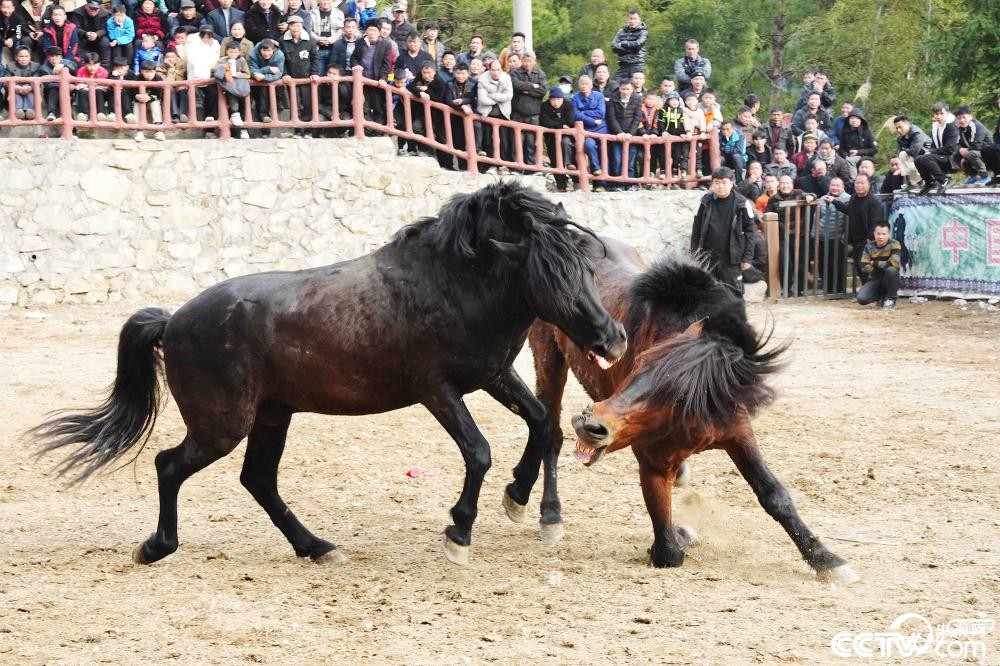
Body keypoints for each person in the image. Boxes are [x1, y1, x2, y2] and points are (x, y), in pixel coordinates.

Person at [689, 166, 758, 291]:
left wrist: (747, 258)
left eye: (724, 182)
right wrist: (695, 254)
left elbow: (751, 231)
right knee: (709, 292)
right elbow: (696, 229)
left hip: (732, 257)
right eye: (717, 183)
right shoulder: (705, 202)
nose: (720, 186)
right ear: (712, 184)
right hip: (708, 256)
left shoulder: (742, 203)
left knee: (734, 292)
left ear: (732, 183)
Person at [828, 173, 883, 283]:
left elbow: (876, 222)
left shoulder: (874, 202)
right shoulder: (854, 197)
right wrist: (834, 201)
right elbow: (849, 210)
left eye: (862, 183)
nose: (859, 186)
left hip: (867, 240)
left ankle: (870, 292)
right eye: (857, 183)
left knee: (863, 266)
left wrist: (871, 238)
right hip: (855, 238)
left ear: (868, 185)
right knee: (859, 267)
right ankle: (866, 291)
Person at [280, 14, 317, 133]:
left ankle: (307, 131)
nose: (295, 28)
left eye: (297, 25)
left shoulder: (310, 40)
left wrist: (314, 73)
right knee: (295, 103)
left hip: (306, 77)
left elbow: (315, 58)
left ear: (302, 26)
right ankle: (296, 130)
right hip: (292, 78)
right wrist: (285, 74)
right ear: (288, 27)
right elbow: (282, 60)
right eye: (292, 25)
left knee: (307, 103)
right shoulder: (282, 41)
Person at [350, 17, 391, 124]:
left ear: (379, 32)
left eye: (375, 31)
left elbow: (386, 65)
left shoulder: (385, 44)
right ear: (366, 31)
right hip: (363, 80)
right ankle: (367, 128)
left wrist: (383, 78)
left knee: (378, 106)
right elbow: (353, 58)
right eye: (370, 30)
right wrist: (356, 65)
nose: (372, 33)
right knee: (364, 106)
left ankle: (378, 130)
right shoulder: (360, 42)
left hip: (377, 80)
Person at [509, 48, 546, 168]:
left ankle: (531, 167)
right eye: (525, 60)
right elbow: (515, 85)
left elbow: (542, 91)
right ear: (522, 60)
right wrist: (532, 86)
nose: (527, 63)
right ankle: (517, 167)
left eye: (530, 61)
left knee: (531, 142)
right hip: (518, 113)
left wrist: (526, 91)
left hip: (534, 114)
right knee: (517, 141)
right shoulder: (515, 73)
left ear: (534, 61)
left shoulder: (540, 74)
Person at [476, 57, 513, 168]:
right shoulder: (483, 79)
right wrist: (499, 97)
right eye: (493, 70)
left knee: (504, 140)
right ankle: (489, 164)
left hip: (503, 113)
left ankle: (503, 164)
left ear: (501, 69)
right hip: (488, 113)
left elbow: (508, 96)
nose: (495, 72)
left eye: (498, 69)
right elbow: (482, 99)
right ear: (489, 69)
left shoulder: (506, 78)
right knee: (488, 139)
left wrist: (492, 95)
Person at [605, 78, 641, 186]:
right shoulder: (613, 98)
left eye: (628, 89)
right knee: (617, 160)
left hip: (632, 135)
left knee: (630, 161)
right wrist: (619, 132)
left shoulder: (637, 99)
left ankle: (629, 184)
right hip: (617, 134)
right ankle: (617, 185)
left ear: (632, 89)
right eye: (623, 89)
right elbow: (611, 117)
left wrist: (631, 133)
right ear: (620, 89)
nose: (625, 91)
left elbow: (637, 117)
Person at [856, 221, 901, 309]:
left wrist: (874, 263)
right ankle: (881, 297)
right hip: (875, 277)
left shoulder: (895, 244)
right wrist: (881, 266)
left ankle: (891, 299)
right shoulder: (868, 246)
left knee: (891, 270)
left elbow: (894, 263)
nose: (881, 237)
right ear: (874, 234)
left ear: (888, 234)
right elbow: (864, 266)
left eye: (884, 234)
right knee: (861, 299)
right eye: (878, 234)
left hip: (889, 277)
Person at [571, 74, 606, 176]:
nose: (584, 86)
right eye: (582, 84)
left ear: (591, 86)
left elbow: (601, 113)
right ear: (579, 86)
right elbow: (576, 115)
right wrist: (593, 121)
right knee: (589, 145)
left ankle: (605, 183)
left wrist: (584, 113)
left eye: (586, 84)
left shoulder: (599, 96)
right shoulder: (575, 98)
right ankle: (595, 168)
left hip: (601, 129)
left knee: (604, 151)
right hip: (586, 130)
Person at [443, 61, 476, 170]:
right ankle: (458, 166)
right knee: (457, 142)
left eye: (463, 73)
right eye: (458, 73)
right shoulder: (449, 83)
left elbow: (474, 99)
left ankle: (469, 166)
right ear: (454, 73)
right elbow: (448, 100)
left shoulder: (474, 83)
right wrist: (462, 106)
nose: (460, 76)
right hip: (454, 118)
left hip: (470, 118)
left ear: (468, 73)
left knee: (471, 142)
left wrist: (463, 101)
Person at [214, 38, 250, 136]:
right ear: (227, 52)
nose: (233, 54)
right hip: (228, 87)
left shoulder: (241, 60)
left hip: (240, 86)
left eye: (235, 52)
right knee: (232, 102)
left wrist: (238, 74)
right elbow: (217, 75)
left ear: (239, 52)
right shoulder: (222, 61)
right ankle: (235, 114)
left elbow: (247, 74)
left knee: (244, 105)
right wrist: (224, 69)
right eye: (231, 52)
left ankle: (244, 130)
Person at [952, 105, 992, 186]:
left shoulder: (977, 126)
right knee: (955, 154)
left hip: (990, 153)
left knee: (972, 153)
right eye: (959, 118)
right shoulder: (959, 128)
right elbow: (956, 145)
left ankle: (984, 177)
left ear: (970, 116)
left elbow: (978, 145)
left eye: (964, 117)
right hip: (975, 151)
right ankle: (973, 176)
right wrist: (960, 150)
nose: (962, 120)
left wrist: (966, 152)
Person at [128, 58, 166, 140]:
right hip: (140, 101)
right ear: (141, 71)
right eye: (146, 72)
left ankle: (158, 130)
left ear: (155, 71)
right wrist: (136, 96)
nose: (149, 75)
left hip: (152, 100)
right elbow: (132, 92)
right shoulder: (137, 78)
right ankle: (139, 131)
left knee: (155, 103)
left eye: (151, 72)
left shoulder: (158, 79)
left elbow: (159, 94)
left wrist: (149, 97)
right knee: (137, 103)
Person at [248, 36, 282, 122]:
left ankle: (268, 114)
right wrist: (268, 69)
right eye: (264, 50)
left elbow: (279, 73)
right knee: (259, 101)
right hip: (256, 82)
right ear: (260, 49)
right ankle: (264, 125)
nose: (266, 53)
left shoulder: (279, 55)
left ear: (273, 50)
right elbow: (253, 71)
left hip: (272, 82)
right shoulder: (253, 54)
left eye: (269, 51)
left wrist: (264, 77)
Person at [893, 115, 931, 190]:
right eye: (897, 128)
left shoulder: (917, 133)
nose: (898, 130)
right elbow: (904, 155)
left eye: (900, 127)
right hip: (915, 158)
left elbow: (914, 152)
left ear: (907, 124)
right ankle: (912, 182)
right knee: (902, 157)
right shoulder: (900, 138)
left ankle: (919, 182)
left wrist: (905, 149)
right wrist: (905, 150)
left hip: (927, 155)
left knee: (904, 155)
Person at [609, 8, 645, 86]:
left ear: (639, 19)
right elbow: (613, 46)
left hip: (637, 65)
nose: (632, 21)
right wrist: (632, 49)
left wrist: (623, 44)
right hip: (623, 64)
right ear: (627, 19)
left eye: (635, 19)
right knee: (615, 87)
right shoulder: (621, 31)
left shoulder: (643, 32)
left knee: (636, 88)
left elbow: (638, 45)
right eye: (631, 19)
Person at [69, 0, 108, 68]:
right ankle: (81, 67)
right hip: (82, 37)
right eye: (91, 8)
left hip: (98, 38)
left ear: (99, 9)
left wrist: (97, 34)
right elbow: (75, 28)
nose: (93, 11)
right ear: (86, 6)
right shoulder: (78, 12)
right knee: (76, 39)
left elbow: (105, 29)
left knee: (105, 41)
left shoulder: (104, 14)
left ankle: (105, 67)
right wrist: (85, 33)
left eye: (95, 9)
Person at [2, 46, 38, 119]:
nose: (24, 59)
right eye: (21, 56)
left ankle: (29, 111)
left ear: (30, 57)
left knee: (30, 94)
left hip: (29, 89)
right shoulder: (10, 66)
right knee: (15, 95)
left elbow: (37, 82)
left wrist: (30, 87)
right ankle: (18, 111)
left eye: (26, 56)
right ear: (16, 57)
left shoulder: (35, 66)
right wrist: (15, 88)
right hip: (15, 90)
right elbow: (6, 82)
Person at [73, 50, 110, 120]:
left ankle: (100, 113)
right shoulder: (81, 70)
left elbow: (105, 86)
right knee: (82, 92)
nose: (92, 67)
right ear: (85, 64)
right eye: (89, 64)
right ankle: (84, 114)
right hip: (85, 92)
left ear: (99, 64)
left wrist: (91, 86)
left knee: (99, 91)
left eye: (95, 65)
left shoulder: (103, 71)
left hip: (99, 93)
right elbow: (78, 84)